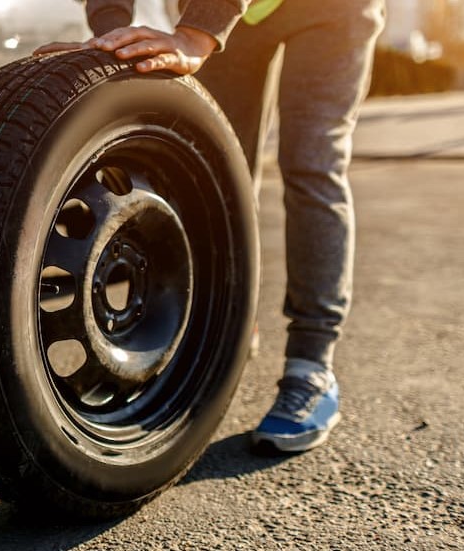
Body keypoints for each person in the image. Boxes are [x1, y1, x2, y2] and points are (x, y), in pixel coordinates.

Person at [36, 0, 385, 452]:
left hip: (332, 9)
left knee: (312, 163)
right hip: (247, 14)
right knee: (224, 168)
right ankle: (234, 318)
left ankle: (311, 364)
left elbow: (198, 33)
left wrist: (197, 33)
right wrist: (110, 36)